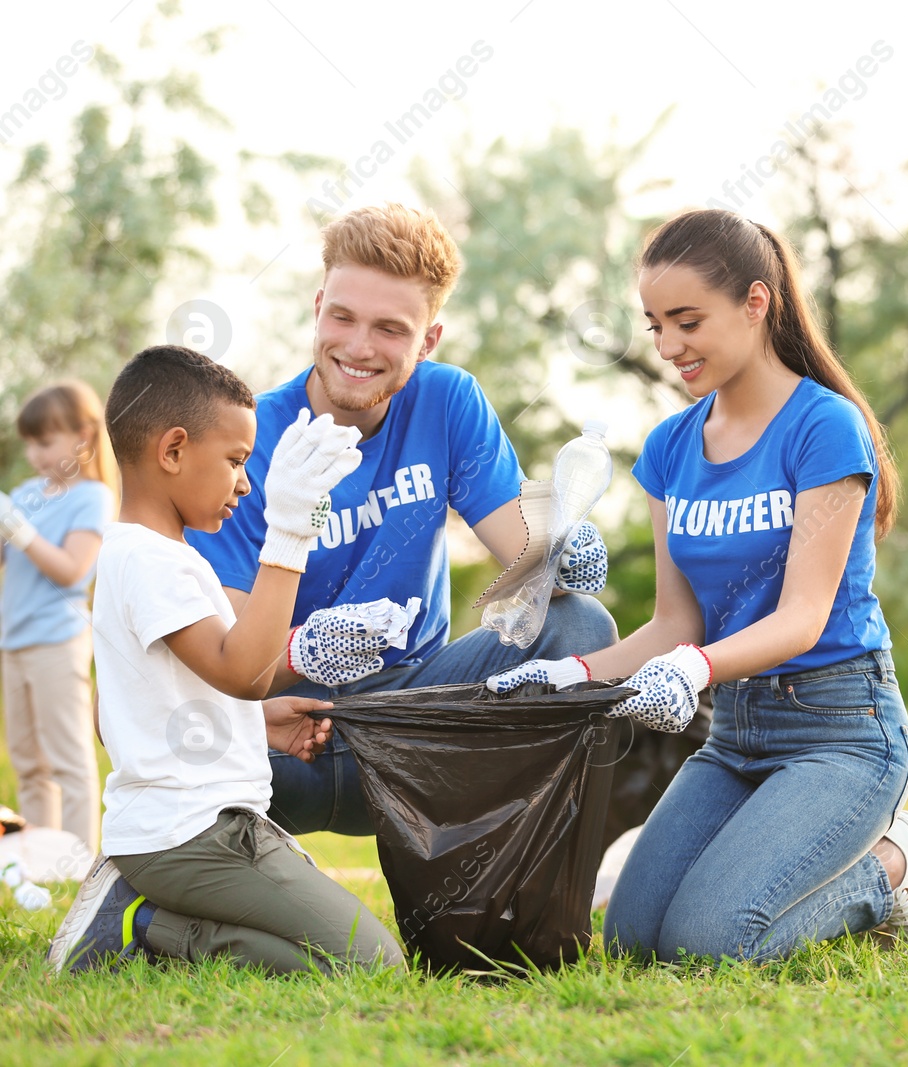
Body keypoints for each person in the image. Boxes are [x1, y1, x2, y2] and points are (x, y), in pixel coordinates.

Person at [487, 209, 908, 961]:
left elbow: (803, 617)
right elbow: (675, 623)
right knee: (635, 940)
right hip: (736, 731)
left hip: (841, 729)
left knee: (709, 945)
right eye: (655, 326)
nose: (671, 346)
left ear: (756, 303)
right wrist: (565, 674)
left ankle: (892, 869)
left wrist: (694, 667)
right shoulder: (672, 446)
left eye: (688, 320)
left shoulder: (824, 427)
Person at [186, 202, 618, 837]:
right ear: (317, 308)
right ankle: (161, 874)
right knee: (179, 717)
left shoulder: (447, 400)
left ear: (429, 339)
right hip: (285, 739)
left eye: (390, 329)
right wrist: (310, 651)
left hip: (415, 722)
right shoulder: (251, 436)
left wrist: (560, 544)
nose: (358, 348)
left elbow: (524, 557)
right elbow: (227, 661)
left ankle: (491, 863)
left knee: (581, 626)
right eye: (342, 317)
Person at [47, 345, 402, 974]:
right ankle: (146, 926)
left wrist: (256, 720)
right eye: (236, 461)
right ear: (173, 450)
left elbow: (138, 704)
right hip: (191, 837)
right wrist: (289, 530)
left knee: (344, 954)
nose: (246, 481)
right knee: (370, 965)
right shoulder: (150, 560)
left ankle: (151, 912)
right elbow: (240, 669)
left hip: (191, 831)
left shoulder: (157, 555)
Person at [0, 382, 118, 852]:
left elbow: (72, 570)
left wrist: (20, 530)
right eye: (30, 443)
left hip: (57, 640)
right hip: (12, 641)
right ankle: (38, 857)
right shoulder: (28, 492)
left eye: (44, 443)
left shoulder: (93, 497)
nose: (34, 455)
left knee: (68, 759)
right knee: (28, 761)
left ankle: (76, 862)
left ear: (83, 437)